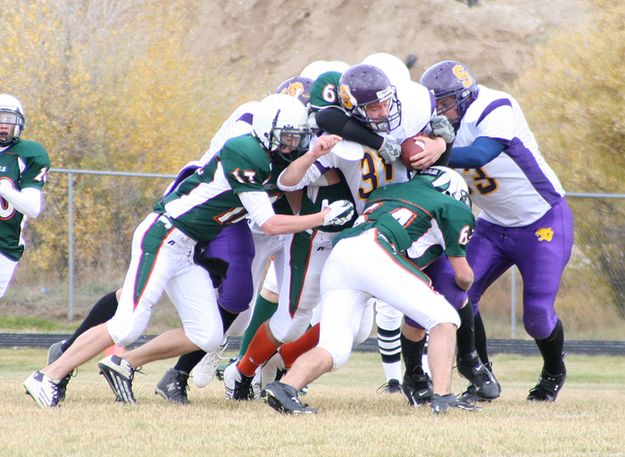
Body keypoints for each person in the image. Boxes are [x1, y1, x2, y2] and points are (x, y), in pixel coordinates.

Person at [23, 93, 355, 408]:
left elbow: (287, 181)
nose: (292, 144)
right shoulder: (244, 150)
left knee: (207, 334)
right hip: (165, 235)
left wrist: (312, 154)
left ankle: (123, 363)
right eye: (288, 137)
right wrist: (323, 217)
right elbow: (268, 223)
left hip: (189, 248)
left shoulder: (271, 155)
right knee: (127, 325)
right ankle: (48, 376)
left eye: (297, 138)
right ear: (268, 130)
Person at [263, 167, 480, 415]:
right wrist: (467, 283)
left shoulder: (389, 192)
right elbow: (463, 276)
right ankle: (444, 397)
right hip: (375, 250)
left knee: (334, 349)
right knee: (445, 318)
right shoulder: (451, 206)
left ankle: (285, 388)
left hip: (341, 256)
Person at [420, 60, 574, 401]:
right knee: (454, 289)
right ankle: (481, 374)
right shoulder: (437, 125)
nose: (439, 111)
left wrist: (437, 152)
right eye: (435, 104)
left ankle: (553, 372)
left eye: (445, 103)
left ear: (463, 97)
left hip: (542, 220)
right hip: (492, 224)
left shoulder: (495, 105)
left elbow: (480, 153)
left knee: (536, 316)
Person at [0, 94, 50, 298]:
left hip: (4, 245)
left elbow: (32, 208)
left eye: (8, 120)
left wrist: (4, 190)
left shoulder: (29, 153)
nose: (3, 125)